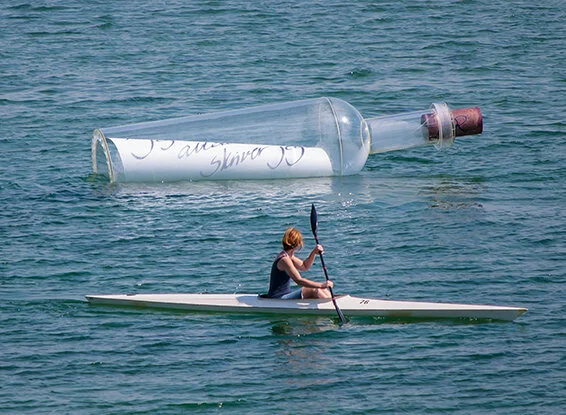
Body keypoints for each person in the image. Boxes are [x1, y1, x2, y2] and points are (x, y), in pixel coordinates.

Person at [266, 227, 334, 299]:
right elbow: (299, 280)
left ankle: (331, 301)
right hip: (278, 298)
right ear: (297, 244)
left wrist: (313, 252)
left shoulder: (289, 256)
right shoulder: (284, 260)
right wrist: (321, 285)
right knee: (314, 289)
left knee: (322, 289)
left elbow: (305, 266)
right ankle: (330, 304)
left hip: (286, 294)